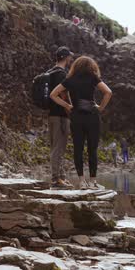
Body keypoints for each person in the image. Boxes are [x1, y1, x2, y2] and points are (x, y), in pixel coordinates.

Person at [50, 56, 112, 190]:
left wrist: (67, 105)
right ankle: (93, 182)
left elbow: (53, 94)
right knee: (92, 150)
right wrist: (100, 108)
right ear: (91, 67)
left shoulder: (70, 80)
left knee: (78, 149)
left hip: (76, 117)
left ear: (76, 67)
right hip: (92, 117)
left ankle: (82, 182)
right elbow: (108, 92)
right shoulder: (93, 78)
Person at [48, 47, 74, 188]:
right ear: (65, 57)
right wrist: (69, 109)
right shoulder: (61, 74)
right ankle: (56, 179)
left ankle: (61, 177)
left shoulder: (50, 72)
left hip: (52, 114)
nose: (71, 59)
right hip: (60, 115)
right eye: (69, 57)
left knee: (57, 146)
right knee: (58, 147)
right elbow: (63, 94)